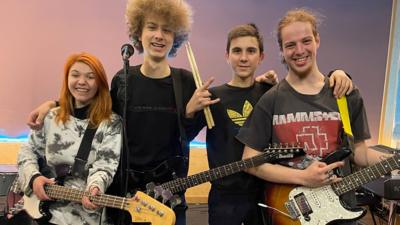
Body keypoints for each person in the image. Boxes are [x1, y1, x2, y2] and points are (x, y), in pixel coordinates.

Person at [185, 23, 353, 225]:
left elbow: (307, 85)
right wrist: (189, 112)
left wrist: (338, 73)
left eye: (251, 51)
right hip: (225, 198)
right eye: (237, 51)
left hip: (268, 191)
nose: (244, 57)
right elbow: (184, 138)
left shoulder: (270, 93)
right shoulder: (212, 98)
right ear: (227, 55)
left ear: (261, 57)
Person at [237, 8, 391, 225]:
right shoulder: (271, 100)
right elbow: (249, 162)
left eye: (306, 41)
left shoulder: (345, 94)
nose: (299, 50)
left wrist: (393, 161)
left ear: (317, 40)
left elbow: (360, 153)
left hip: (341, 208)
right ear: (282, 50)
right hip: (294, 214)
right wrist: (302, 177)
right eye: (290, 45)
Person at [17, 52, 122, 225]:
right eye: (75, 75)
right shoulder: (50, 117)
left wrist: (96, 187)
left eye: (90, 77)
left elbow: (105, 166)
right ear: (67, 79)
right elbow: (27, 151)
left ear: (100, 83)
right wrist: (34, 177)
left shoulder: (110, 123)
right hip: (45, 214)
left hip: (86, 218)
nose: (82, 82)